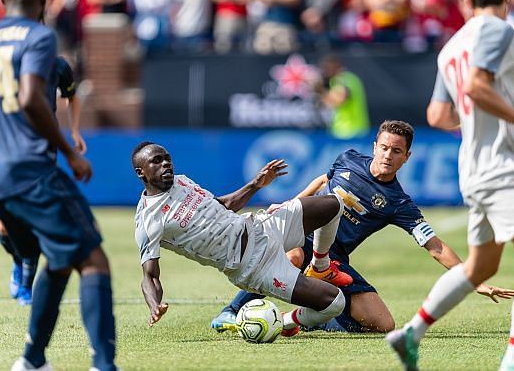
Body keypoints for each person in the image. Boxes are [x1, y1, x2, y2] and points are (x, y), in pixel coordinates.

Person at [211, 120, 514, 333]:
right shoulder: (348, 159)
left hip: (335, 259)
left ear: (406, 157)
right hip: (303, 236)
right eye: (384, 148)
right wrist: (291, 204)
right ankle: (232, 310)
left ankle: (308, 321)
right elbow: (322, 181)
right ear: (375, 145)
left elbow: (435, 247)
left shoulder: (399, 203)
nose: (388, 155)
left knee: (382, 324)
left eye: (396, 151)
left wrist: (475, 281)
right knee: (293, 258)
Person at [0, 0, 117, 369]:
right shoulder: (39, 38)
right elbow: (30, 97)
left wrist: (3, 141)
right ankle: (105, 365)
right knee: (94, 261)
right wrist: (69, 152)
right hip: (32, 170)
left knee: (61, 262)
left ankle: (31, 360)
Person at [386, 0, 514, 370]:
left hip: (472, 169)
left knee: (481, 267)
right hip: (499, 166)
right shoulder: (499, 29)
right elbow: (477, 86)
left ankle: (411, 333)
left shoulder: (451, 46)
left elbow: (438, 115)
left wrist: (477, 117)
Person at [132, 142, 354, 336]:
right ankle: (286, 322)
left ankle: (321, 265)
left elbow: (223, 206)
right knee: (335, 303)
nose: (166, 164)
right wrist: (154, 305)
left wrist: (256, 183)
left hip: (262, 227)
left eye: (167, 159)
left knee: (333, 204)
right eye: (157, 161)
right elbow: (150, 276)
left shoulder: (182, 181)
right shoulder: (148, 220)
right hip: (255, 267)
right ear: (141, 172)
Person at [0, 55, 88, 306]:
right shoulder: (4, 62)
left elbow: (72, 96)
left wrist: (74, 131)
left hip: (42, 151)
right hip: (8, 149)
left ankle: (26, 285)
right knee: (5, 225)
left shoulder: (58, 66)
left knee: (35, 217)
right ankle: (18, 262)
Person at [315, 54, 370, 139]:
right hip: (343, 131)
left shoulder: (344, 79)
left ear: (335, 66)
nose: (325, 71)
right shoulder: (338, 80)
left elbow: (340, 100)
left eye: (327, 68)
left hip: (350, 131)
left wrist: (321, 90)